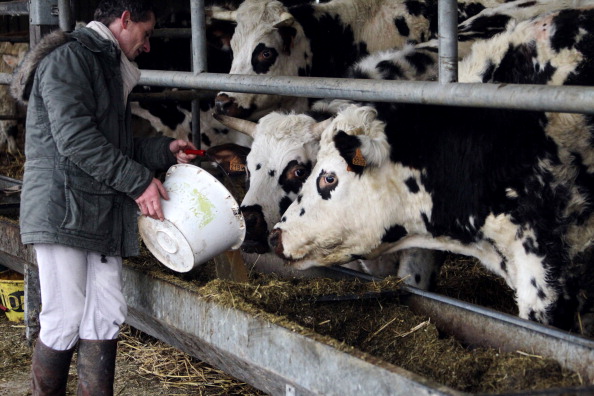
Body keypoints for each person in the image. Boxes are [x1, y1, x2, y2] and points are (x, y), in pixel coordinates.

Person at [10, 1, 198, 394]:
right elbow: (75, 140)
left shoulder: (108, 68)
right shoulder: (71, 59)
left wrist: (164, 152)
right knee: (64, 316)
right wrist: (138, 183)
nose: (147, 46)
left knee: (107, 313)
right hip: (63, 208)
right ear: (125, 19)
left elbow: (114, 146)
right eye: (146, 34)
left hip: (96, 208)